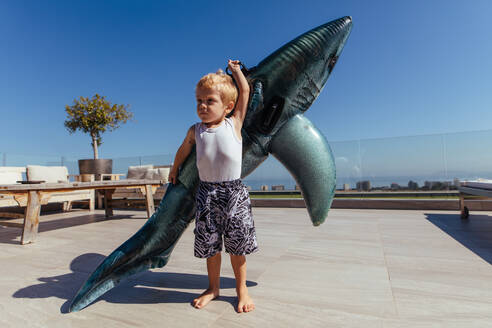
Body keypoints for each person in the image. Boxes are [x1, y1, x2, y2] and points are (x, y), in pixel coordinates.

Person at [168, 60, 257, 313]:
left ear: (228, 106)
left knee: (237, 246)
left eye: (209, 100)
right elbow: (184, 150)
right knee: (210, 246)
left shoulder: (234, 123)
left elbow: (246, 92)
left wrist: (237, 71)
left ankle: (241, 289)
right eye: (199, 101)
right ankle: (213, 288)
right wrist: (174, 168)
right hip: (206, 194)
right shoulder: (195, 130)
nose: (202, 106)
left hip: (234, 194)